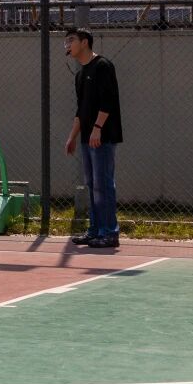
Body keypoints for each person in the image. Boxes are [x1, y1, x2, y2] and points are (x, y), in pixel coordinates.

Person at [64, 27, 124, 249]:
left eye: (71, 40)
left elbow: (108, 101)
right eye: (66, 41)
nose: (67, 45)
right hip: (87, 139)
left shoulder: (103, 67)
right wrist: (72, 137)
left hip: (103, 137)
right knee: (92, 184)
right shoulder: (80, 74)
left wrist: (98, 128)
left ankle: (110, 233)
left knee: (103, 184)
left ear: (85, 42)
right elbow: (81, 110)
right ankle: (95, 230)